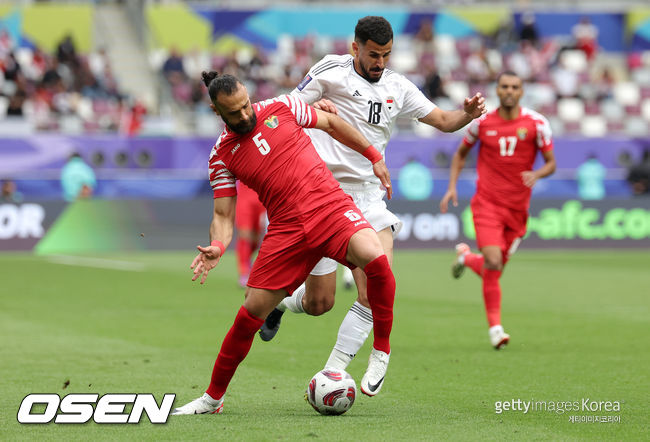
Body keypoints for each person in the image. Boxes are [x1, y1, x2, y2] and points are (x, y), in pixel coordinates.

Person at [259, 16, 486, 376]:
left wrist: (467, 115)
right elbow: (286, 108)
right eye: (374, 55)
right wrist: (318, 110)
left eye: (386, 55)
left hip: (367, 197)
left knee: (375, 287)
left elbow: (443, 119)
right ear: (356, 48)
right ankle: (284, 304)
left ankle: (334, 372)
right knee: (320, 303)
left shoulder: (399, 86)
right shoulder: (330, 70)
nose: (380, 63)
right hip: (322, 194)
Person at [172, 71, 397, 415]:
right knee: (252, 314)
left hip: (330, 208)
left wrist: (373, 156)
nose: (245, 115)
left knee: (376, 259)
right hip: (287, 231)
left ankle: (381, 349)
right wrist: (218, 246)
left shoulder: (283, 106)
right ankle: (212, 399)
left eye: (246, 105)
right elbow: (223, 214)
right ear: (217, 112)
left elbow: (331, 125)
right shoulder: (221, 156)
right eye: (234, 113)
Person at [440, 71, 556, 349]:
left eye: (515, 87)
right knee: (493, 262)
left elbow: (551, 163)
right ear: (497, 89)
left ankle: (466, 258)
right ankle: (495, 329)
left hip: (517, 211)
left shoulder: (537, 123)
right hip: (487, 205)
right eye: (504, 86)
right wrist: (452, 186)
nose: (509, 91)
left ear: (522, 91)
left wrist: (537, 174)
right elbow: (460, 154)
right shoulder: (482, 123)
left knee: (495, 267)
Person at [234, 181, 266, 287]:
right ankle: (244, 272)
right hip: (244, 199)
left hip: (262, 199)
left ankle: (249, 262)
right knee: (244, 234)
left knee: (255, 239)